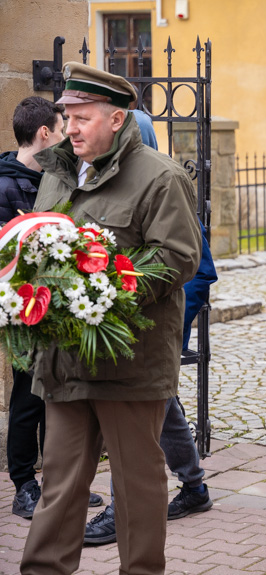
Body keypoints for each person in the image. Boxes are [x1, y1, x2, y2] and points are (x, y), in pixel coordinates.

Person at [20, 62, 201, 575]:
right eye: (66, 117)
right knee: (59, 483)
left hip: (130, 362)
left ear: (117, 119)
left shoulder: (159, 177)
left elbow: (177, 258)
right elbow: (37, 245)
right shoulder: (55, 174)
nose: (69, 128)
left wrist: (99, 293)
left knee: (137, 485)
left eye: (82, 117)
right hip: (64, 361)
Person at [83, 109, 217, 546]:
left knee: (135, 427)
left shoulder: (161, 186)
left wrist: (176, 325)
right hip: (122, 328)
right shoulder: (108, 187)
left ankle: (123, 512)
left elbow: (197, 269)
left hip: (156, 326)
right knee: (166, 411)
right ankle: (194, 486)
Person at [0, 97, 66, 519]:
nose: (65, 137)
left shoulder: (58, 179)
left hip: (59, 307)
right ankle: (24, 484)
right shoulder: (5, 185)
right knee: (26, 399)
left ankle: (57, 484)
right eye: (61, 130)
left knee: (56, 400)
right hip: (22, 311)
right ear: (44, 133)